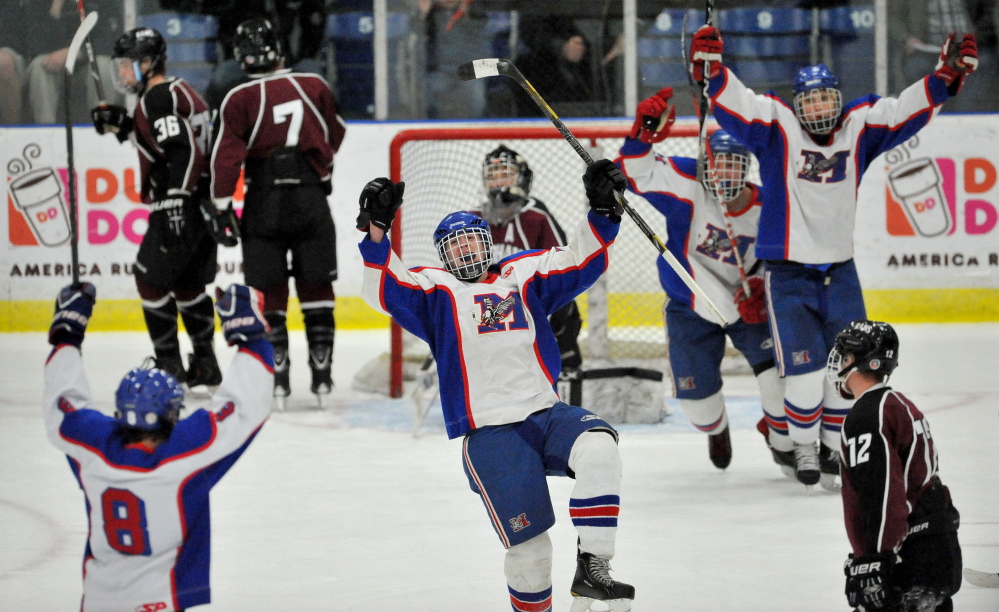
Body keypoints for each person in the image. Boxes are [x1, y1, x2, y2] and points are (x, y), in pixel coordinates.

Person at [688, 24, 978, 486]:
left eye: (826, 98)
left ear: (838, 99)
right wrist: (713, 72)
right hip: (788, 275)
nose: (819, 108)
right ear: (798, 105)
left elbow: (905, 108)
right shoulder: (778, 128)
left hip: (840, 270)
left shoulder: (860, 126)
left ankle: (829, 448)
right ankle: (805, 448)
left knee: (851, 370)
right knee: (803, 378)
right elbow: (739, 106)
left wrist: (944, 76)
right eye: (811, 101)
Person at [356, 160, 636, 612]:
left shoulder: (521, 273)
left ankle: (594, 567)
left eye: (472, 239)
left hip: (546, 412)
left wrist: (603, 209)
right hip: (491, 432)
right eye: (455, 243)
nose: (466, 249)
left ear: (488, 243)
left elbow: (580, 259)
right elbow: (382, 287)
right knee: (531, 552)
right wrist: (377, 229)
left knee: (600, 446)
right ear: (443, 254)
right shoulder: (436, 291)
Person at [44, 281, 273, 611]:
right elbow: (245, 407)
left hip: (97, 601)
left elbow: (62, 402)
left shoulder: (92, 446)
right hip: (159, 602)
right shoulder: (184, 456)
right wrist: (250, 336)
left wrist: (67, 333)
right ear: (171, 415)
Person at [617, 88, 790, 474]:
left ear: (747, 167)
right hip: (691, 306)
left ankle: (780, 439)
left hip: (748, 307)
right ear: (705, 163)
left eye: (734, 164)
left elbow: (784, 257)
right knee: (700, 411)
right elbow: (632, 172)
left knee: (777, 389)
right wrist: (642, 136)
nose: (724, 172)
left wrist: (763, 287)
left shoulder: (768, 206)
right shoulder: (686, 182)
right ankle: (718, 428)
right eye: (718, 164)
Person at [211, 17, 346, 409]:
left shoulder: (237, 97)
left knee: (269, 294)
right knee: (317, 289)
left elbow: (225, 160)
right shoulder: (315, 85)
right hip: (310, 199)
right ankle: (322, 378)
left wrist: (221, 207)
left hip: (263, 202)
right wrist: (319, 168)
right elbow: (335, 133)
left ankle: (279, 381)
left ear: (240, 56)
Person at [91, 27, 230, 390]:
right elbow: (166, 140)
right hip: (202, 204)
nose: (121, 73)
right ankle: (206, 363)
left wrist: (174, 200)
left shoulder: (156, 98)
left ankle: (169, 368)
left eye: (127, 66)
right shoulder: (178, 90)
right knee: (187, 284)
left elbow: (182, 150)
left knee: (149, 279)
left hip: (180, 201)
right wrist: (124, 125)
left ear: (149, 63)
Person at [827, 320, 962, 611]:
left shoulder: (867, 416)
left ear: (858, 362)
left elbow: (882, 493)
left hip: (908, 556)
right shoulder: (896, 403)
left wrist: (875, 558)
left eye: (844, 357)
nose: (839, 364)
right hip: (930, 544)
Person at [479, 145, 584, 403]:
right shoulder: (474, 219)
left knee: (565, 322)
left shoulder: (536, 216)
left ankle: (569, 405)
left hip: (541, 308)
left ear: (523, 179)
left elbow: (563, 267)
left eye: (506, 174)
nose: (499, 182)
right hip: (496, 312)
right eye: (493, 175)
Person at [204, 0, 329, 110]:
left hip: (286, 62)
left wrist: (286, 59)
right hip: (245, 63)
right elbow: (225, 28)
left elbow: (314, 29)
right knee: (223, 75)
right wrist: (245, 58)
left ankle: (318, 121)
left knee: (312, 71)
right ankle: (215, 121)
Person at [23, 0, 124, 124]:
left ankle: (103, 128)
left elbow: (112, 40)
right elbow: (35, 46)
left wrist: (78, 52)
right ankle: (46, 132)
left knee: (104, 67)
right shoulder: (40, 4)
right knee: (39, 66)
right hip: (57, 65)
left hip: (89, 61)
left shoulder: (104, 3)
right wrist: (55, 9)